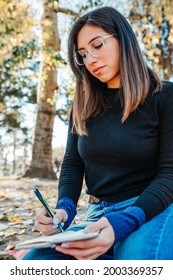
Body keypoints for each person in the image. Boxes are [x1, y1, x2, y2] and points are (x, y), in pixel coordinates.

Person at [24, 6, 173, 260]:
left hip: (152, 209)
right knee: (36, 260)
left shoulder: (164, 96)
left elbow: (170, 173)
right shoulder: (82, 105)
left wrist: (126, 221)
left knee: (136, 261)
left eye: (97, 45)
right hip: (98, 217)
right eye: (82, 54)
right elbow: (72, 164)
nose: (90, 59)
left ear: (123, 39)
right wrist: (63, 211)